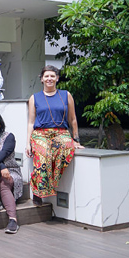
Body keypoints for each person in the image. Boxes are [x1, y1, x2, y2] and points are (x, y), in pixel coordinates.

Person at [26, 65, 84, 206]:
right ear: (41, 79)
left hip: (61, 133)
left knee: (66, 148)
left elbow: (73, 119)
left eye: (52, 76)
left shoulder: (66, 95)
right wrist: (28, 143)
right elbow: (31, 122)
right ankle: (38, 191)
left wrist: (75, 139)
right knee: (43, 153)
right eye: (46, 76)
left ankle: (49, 184)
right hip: (40, 133)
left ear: (57, 78)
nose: (49, 79)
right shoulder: (34, 98)